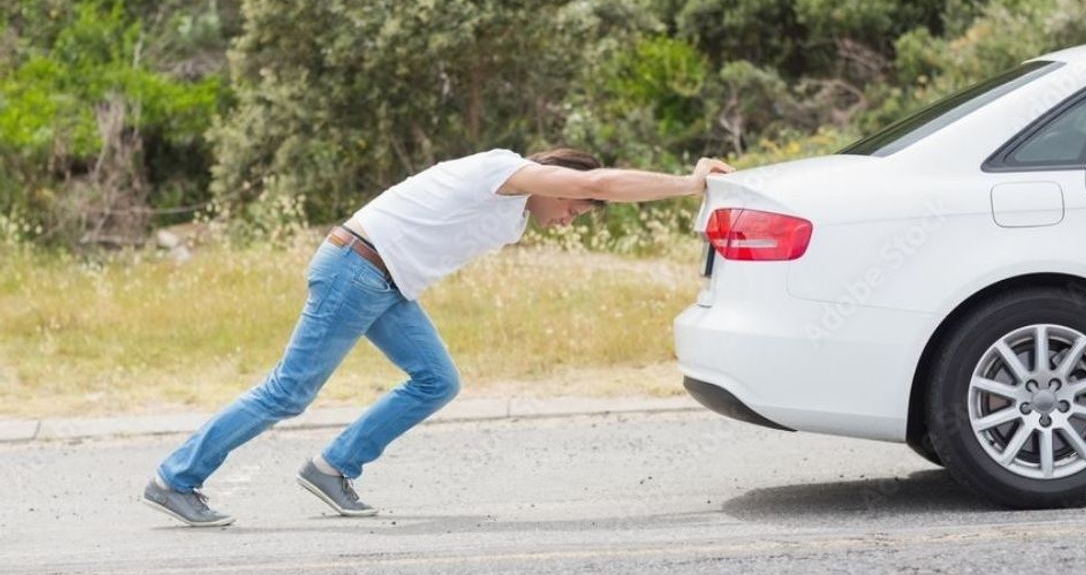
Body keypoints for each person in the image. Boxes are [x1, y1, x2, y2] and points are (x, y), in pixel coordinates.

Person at [141, 147, 734, 526]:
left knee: (436, 381)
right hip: (358, 269)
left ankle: (331, 467)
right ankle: (176, 478)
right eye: (579, 208)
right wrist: (690, 182)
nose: (570, 220)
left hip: (384, 281)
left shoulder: (514, 210)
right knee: (288, 392)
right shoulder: (501, 171)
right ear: (562, 182)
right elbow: (604, 179)